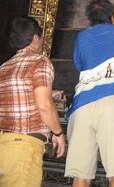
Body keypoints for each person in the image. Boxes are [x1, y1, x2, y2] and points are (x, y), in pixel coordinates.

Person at [65, 0, 114, 187]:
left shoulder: (81, 37)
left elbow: (79, 64)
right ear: (112, 17)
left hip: (82, 105)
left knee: (80, 174)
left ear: (89, 19)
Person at [0, 16, 65, 187]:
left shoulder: (4, 67)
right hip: (24, 146)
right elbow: (44, 106)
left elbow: (15, 100)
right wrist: (58, 134)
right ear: (36, 38)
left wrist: (49, 95)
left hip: (4, 146)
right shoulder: (40, 61)